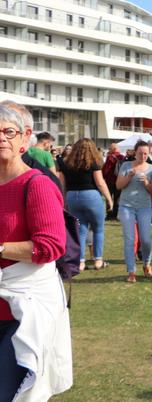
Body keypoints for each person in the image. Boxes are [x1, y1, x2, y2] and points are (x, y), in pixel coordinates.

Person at [0, 105, 72, 400]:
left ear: (24, 139)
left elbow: (50, 246)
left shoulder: (37, 184)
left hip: (22, 313)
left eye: (8, 132)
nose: (1, 138)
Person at [59, 138, 113, 271]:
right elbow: (100, 183)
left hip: (72, 196)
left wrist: (64, 200)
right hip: (91, 195)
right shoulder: (94, 162)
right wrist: (109, 199)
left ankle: (81, 262)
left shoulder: (66, 164)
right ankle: (98, 260)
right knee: (98, 229)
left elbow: (62, 184)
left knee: (80, 231)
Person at [116, 140, 152, 283]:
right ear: (135, 152)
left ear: (149, 153)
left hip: (144, 207)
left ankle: (147, 264)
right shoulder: (126, 166)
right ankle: (131, 271)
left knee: (145, 239)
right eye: (140, 153)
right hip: (126, 206)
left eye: (145, 153)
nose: (143, 156)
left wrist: (146, 182)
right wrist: (129, 176)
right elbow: (118, 185)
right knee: (130, 239)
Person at [102, 143, 125, 220]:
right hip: (119, 180)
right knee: (117, 198)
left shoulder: (110, 157)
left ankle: (109, 215)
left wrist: (103, 177)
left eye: (110, 148)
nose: (108, 149)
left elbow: (106, 170)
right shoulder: (122, 157)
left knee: (109, 197)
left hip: (110, 181)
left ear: (113, 149)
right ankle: (115, 215)